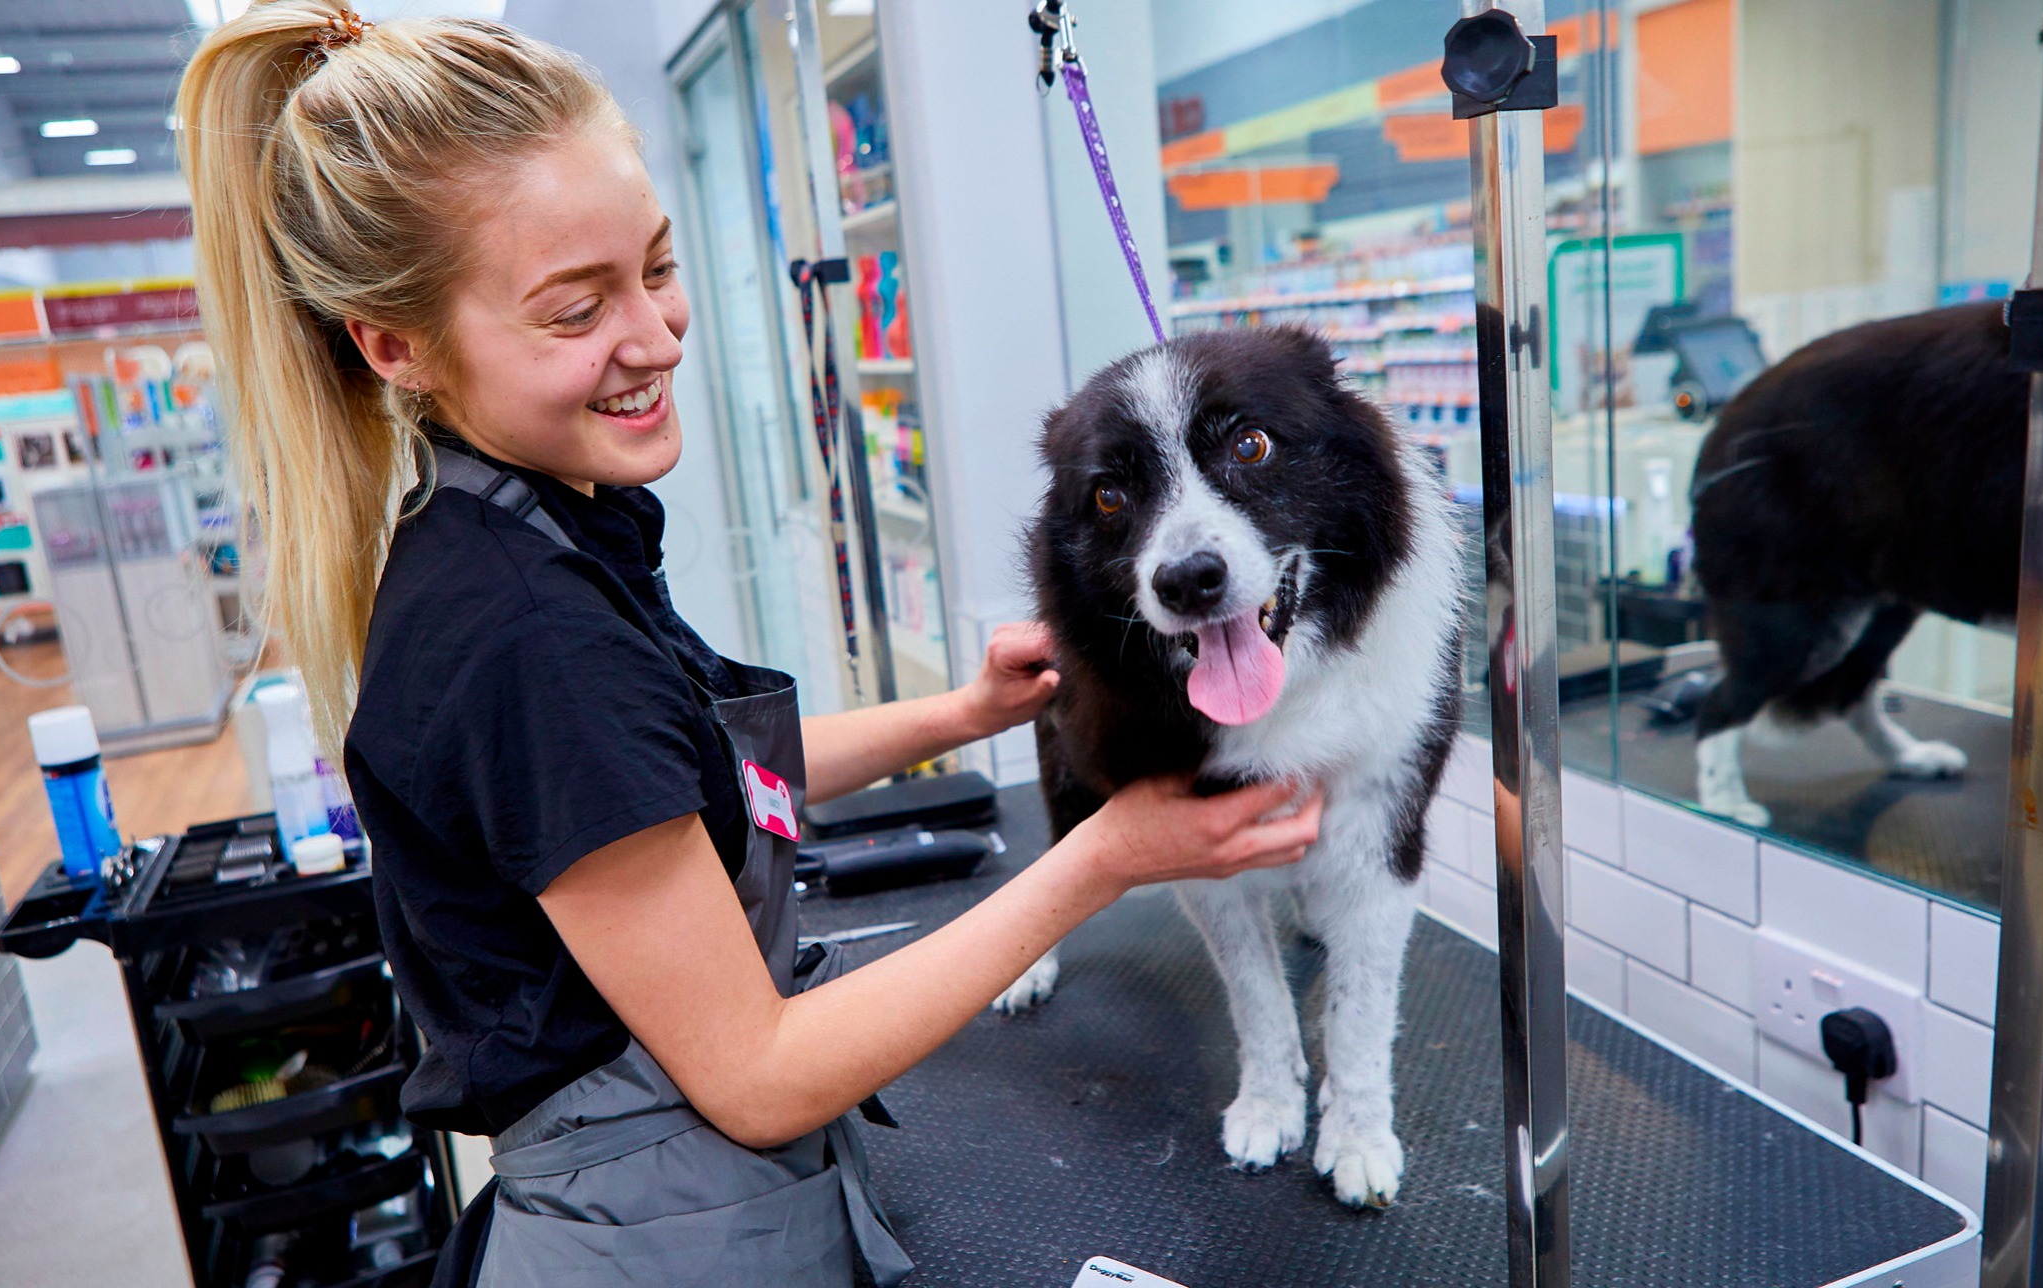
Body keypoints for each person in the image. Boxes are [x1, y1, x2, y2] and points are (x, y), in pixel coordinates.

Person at [177, 5, 1323, 1285]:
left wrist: (958, 715)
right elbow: (761, 1075)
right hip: (665, 1240)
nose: (657, 337)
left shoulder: (531, 527)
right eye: (575, 311)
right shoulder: (525, 638)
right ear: (396, 347)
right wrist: (1106, 855)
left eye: (657, 268)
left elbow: (676, 779)